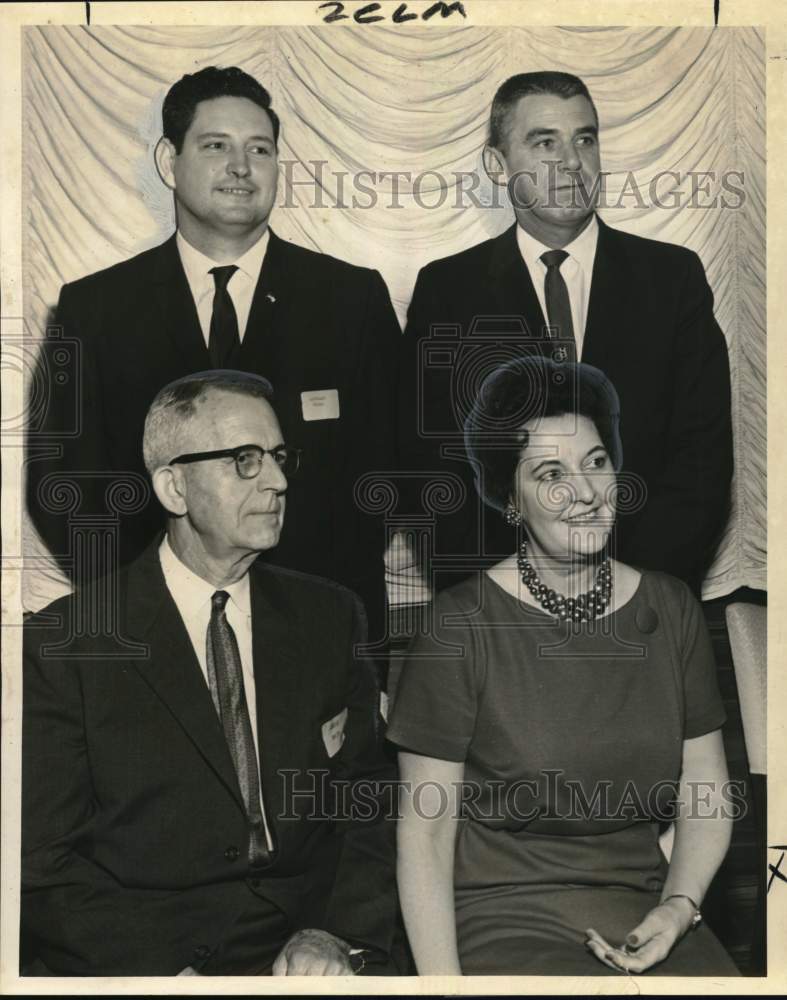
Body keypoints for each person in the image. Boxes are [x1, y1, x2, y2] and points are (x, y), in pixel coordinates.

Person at [22, 370, 397, 976]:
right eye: (244, 460)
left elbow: (367, 802)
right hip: (142, 957)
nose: (276, 481)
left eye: (278, 457)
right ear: (173, 487)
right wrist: (160, 970)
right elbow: (43, 863)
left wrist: (335, 934)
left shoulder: (329, 617)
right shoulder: (67, 644)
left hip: (309, 947)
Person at [387, 357, 739, 976]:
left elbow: (705, 792)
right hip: (502, 918)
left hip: (644, 912)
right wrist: (445, 990)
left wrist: (677, 909)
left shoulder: (670, 608)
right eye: (550, 473)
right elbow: (425, 838)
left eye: (596, 462)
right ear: (510, 500)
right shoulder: (458, 626)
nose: (583, 492)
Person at [26, 65, 399, 640]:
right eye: (215, 146)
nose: (241, 168)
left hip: (321, 633)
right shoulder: (94, 309)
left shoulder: (352, 299)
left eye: (260, 149)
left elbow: (388, 475)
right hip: (151, 636)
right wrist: (144, 599)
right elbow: (62, 486)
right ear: (169, 163)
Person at [397, 70, 732, 595]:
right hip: (501, 611)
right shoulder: (448, 291)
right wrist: (509, 596)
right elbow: (431, 466)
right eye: (545, 142)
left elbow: (702, 460)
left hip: (645, 596)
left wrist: (630, 589)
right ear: (497, 163)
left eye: (585, 138)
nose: (572, 161)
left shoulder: (672, 278)